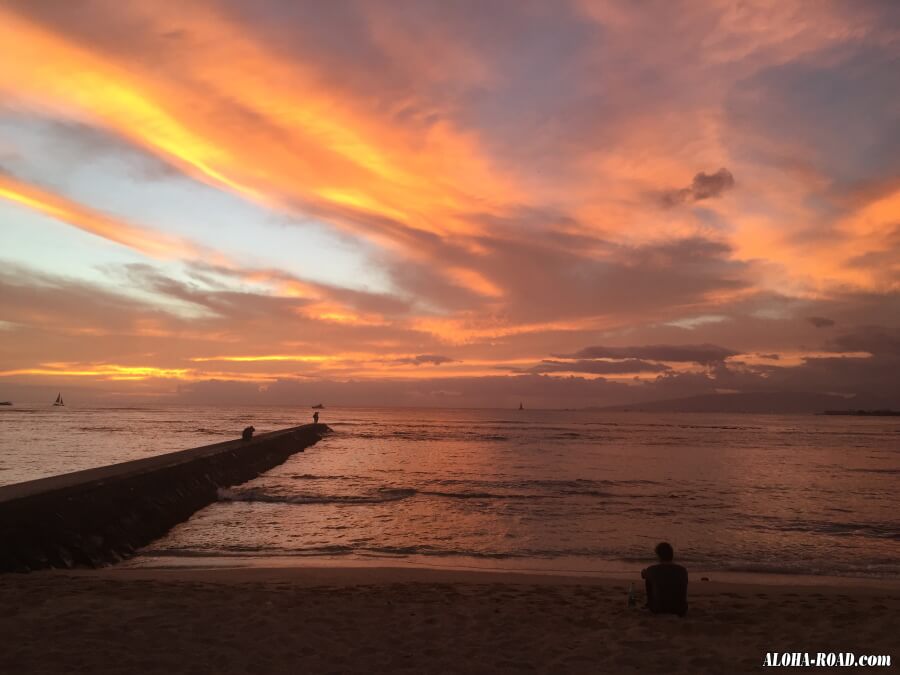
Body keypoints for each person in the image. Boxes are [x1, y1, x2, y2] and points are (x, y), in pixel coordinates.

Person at [641, 542, 688, 616]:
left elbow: (643, 575)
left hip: (659, 609)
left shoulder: (653, 570)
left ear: (658, 556)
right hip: (680, 609)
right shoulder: (682, 570)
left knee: (648, 579)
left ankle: (649, 603)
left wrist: (644, 572)